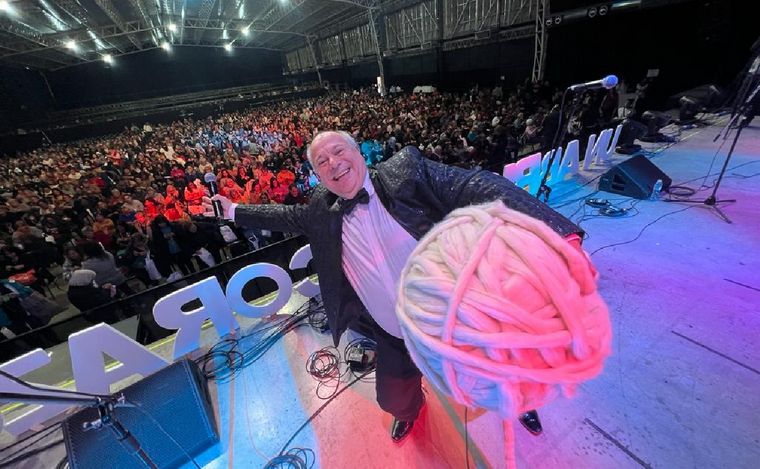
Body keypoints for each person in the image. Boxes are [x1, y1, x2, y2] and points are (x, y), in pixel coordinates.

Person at [204, 131, 587, 443]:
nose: (333, 163)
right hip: (391, 330)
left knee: (501, 367)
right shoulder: (321, 209)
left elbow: (475, 184)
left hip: (453, 317)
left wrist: (557, 232)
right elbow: (286, 215)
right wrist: (233, 211)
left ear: (359, 152)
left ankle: (520, 403)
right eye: (321, 161)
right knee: (393, 397)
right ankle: (409, 412)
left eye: (339, 151)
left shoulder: (406, 171)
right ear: (317, 175)